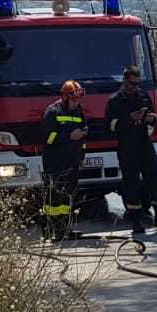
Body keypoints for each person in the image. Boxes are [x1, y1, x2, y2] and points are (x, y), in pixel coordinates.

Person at [106, 65, 157, 234]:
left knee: (156, 176)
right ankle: (136, 220)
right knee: (131, 183)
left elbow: (152, 118)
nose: (136, 87)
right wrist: (130, 119)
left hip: (145, 143)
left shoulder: (144, 96)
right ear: (124, 81)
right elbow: (111, 125)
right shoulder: (115, 100)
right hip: (127, 146)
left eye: (138, 83)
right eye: (132, 83)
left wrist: (153, 120)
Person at [41, 80, 88, 242]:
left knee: (68, 198)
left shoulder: (79, 112)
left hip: (72, 161)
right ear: (65, 97)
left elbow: (83, 135)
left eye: (78, 100)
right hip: (55, 162)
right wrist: (69, 136)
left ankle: (65, 229)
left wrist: (81, 156)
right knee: (55, 199)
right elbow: (48, 137)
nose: (77, 103)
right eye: (74, 100)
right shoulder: (52, 112)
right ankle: (52, 230)